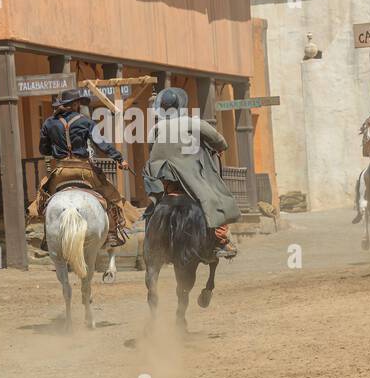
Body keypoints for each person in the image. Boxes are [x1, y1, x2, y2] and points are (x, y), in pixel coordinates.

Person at [28, 88, 136, 247]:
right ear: (76, 104)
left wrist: (57, 150)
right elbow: (101, 144)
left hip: (61, 172)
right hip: (84, 171)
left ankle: (47, 234)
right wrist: (119, 159)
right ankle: (112, 233)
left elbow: (43, 150)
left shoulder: (48, 123)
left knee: (43, 199)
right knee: (111, 195)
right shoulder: (86, 122)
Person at [142, 87, 240, 258]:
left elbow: (151, 148)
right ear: (181, 106)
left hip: (163, 179)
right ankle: (221, 241)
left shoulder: (156, 129)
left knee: (153, 205)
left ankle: (150, 240)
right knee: (215, 199)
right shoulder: (193, 123)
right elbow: (220, 141)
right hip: (187, 175)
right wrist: (219, 148)